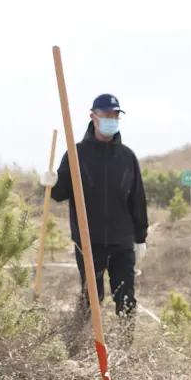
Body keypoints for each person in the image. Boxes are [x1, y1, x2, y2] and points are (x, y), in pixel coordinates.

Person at [46, 93, 148, 319]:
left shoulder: (127, 157)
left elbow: (137, 199)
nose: (111, 118)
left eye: (115, 115)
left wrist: (140, 237)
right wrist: (51, 182)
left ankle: (124, 345)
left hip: (122, 242)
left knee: (126, 297)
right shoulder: (76, 154)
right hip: (88, 241)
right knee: (91, 297)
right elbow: (60, 193)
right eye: (106, 114)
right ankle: (85, 343)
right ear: (93, 117)